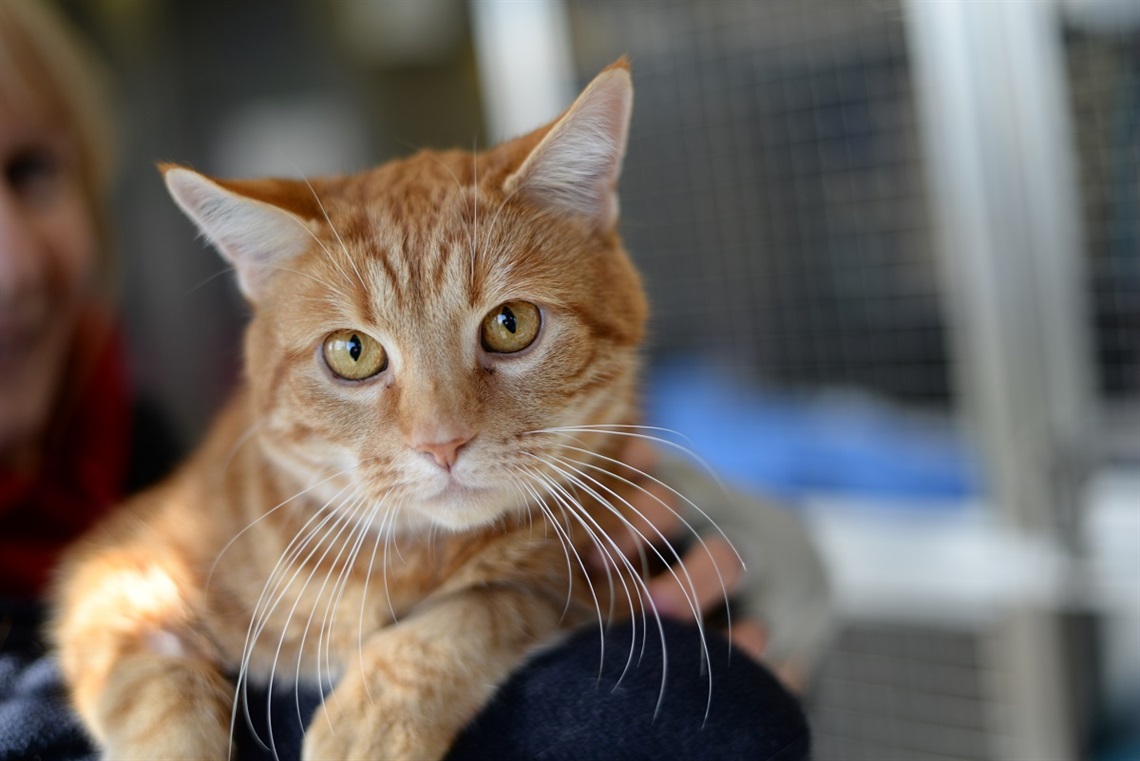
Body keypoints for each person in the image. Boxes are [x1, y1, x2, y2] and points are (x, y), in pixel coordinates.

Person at [0, 2, 826, 759]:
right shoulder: (227, 511)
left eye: (508, 328)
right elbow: (120, 595)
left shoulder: (128, 441)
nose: (442, 432)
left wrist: (759, 548)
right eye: (356, 356)